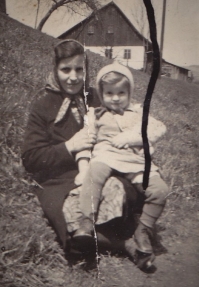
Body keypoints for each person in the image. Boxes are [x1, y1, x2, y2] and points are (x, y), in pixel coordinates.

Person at [21, 40, 141, 263]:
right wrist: (71, 146)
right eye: (66, 69)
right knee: (72, 221)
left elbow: (125, 122)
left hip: (101, 172)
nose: (73, 77)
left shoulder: (98, 96)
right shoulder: (43, 106)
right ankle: (122, 242)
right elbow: (31, 158)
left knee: (122, 190)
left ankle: (114, 228)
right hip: (61, 181)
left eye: (79, 69)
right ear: (55, 70)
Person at [73, 63, 169, 260]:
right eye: (109, 93)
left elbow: (159, 129)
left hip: (135, 161)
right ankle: (86, 221)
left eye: (121, 93)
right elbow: (85, 139)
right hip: (106, 155)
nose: (115, 98)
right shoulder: (96, 114)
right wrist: (82, 164)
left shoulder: (137, 113)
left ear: (129, 92)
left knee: (159, 190)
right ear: (101, 93)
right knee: (95, 173)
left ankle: (143, 229)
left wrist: (132, 137)